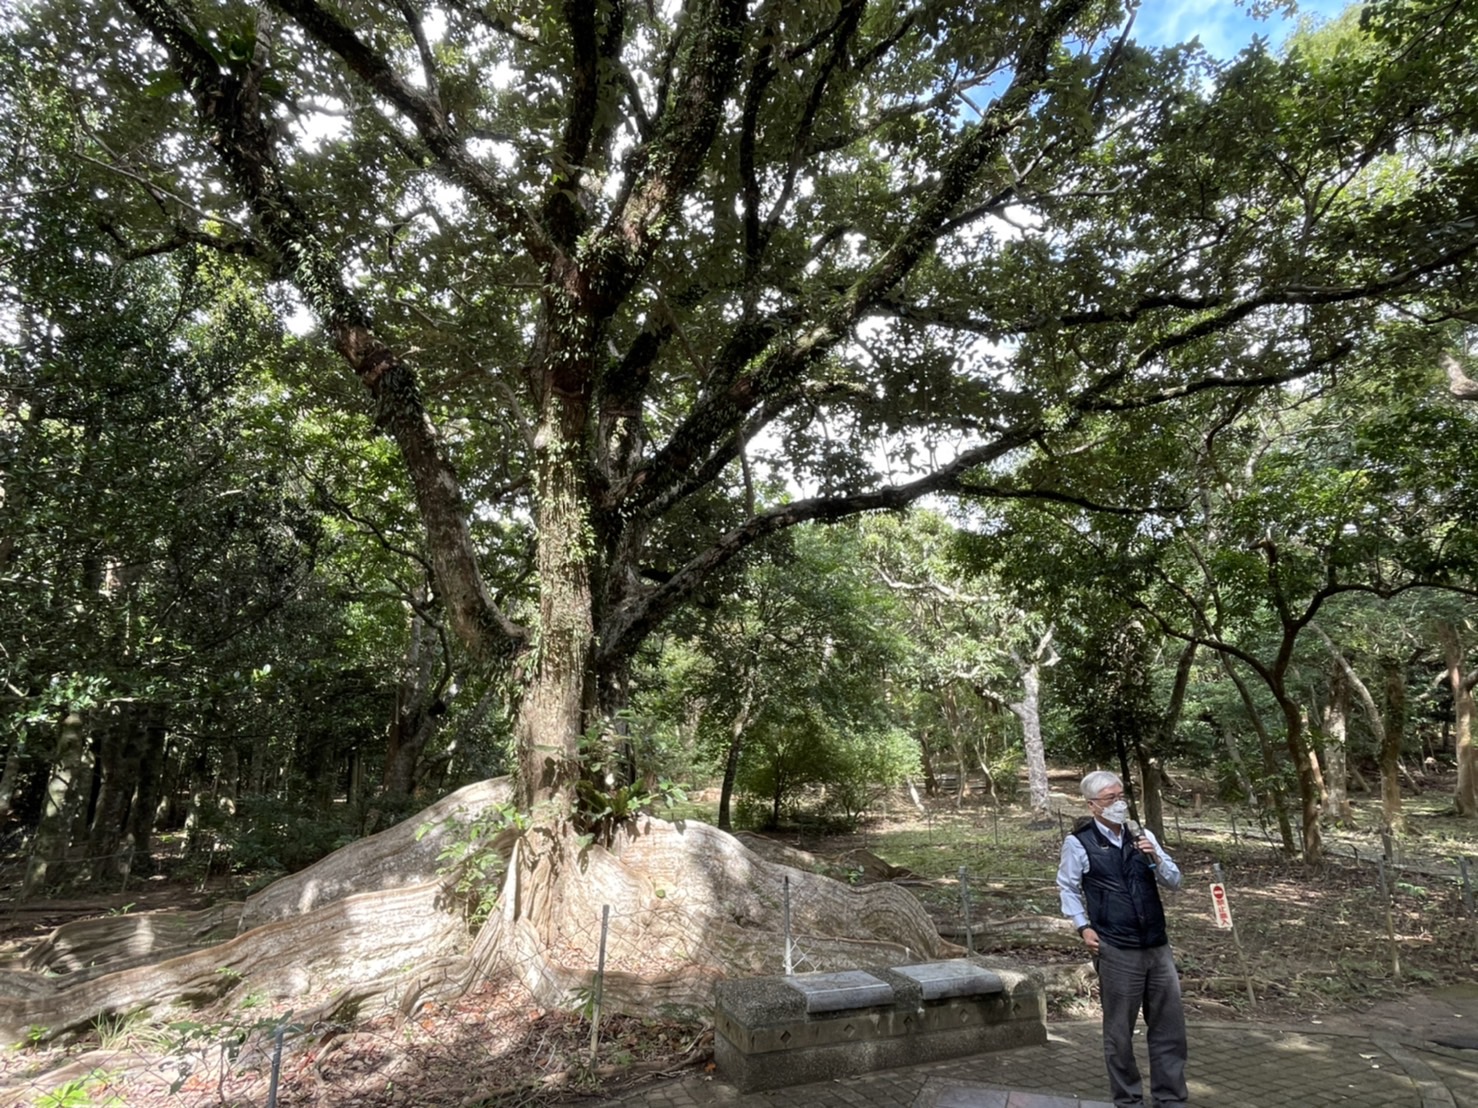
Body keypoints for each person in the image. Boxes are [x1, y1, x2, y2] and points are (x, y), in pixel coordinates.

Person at [1057, 770, 1188, 1108]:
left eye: (1121, 796)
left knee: (1169, 1029)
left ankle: (1170, 1099)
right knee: (1119, 1034)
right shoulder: (1079, 842)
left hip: (1157, 946)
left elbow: (1175, 881)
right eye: (1110, 799)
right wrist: (1083, 927)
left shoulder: (1141, 835)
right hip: (1116, 948)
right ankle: (1128, 1100)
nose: (1119, 804)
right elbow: (1068, 887)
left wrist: (1154, 856)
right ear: (1092, 805)